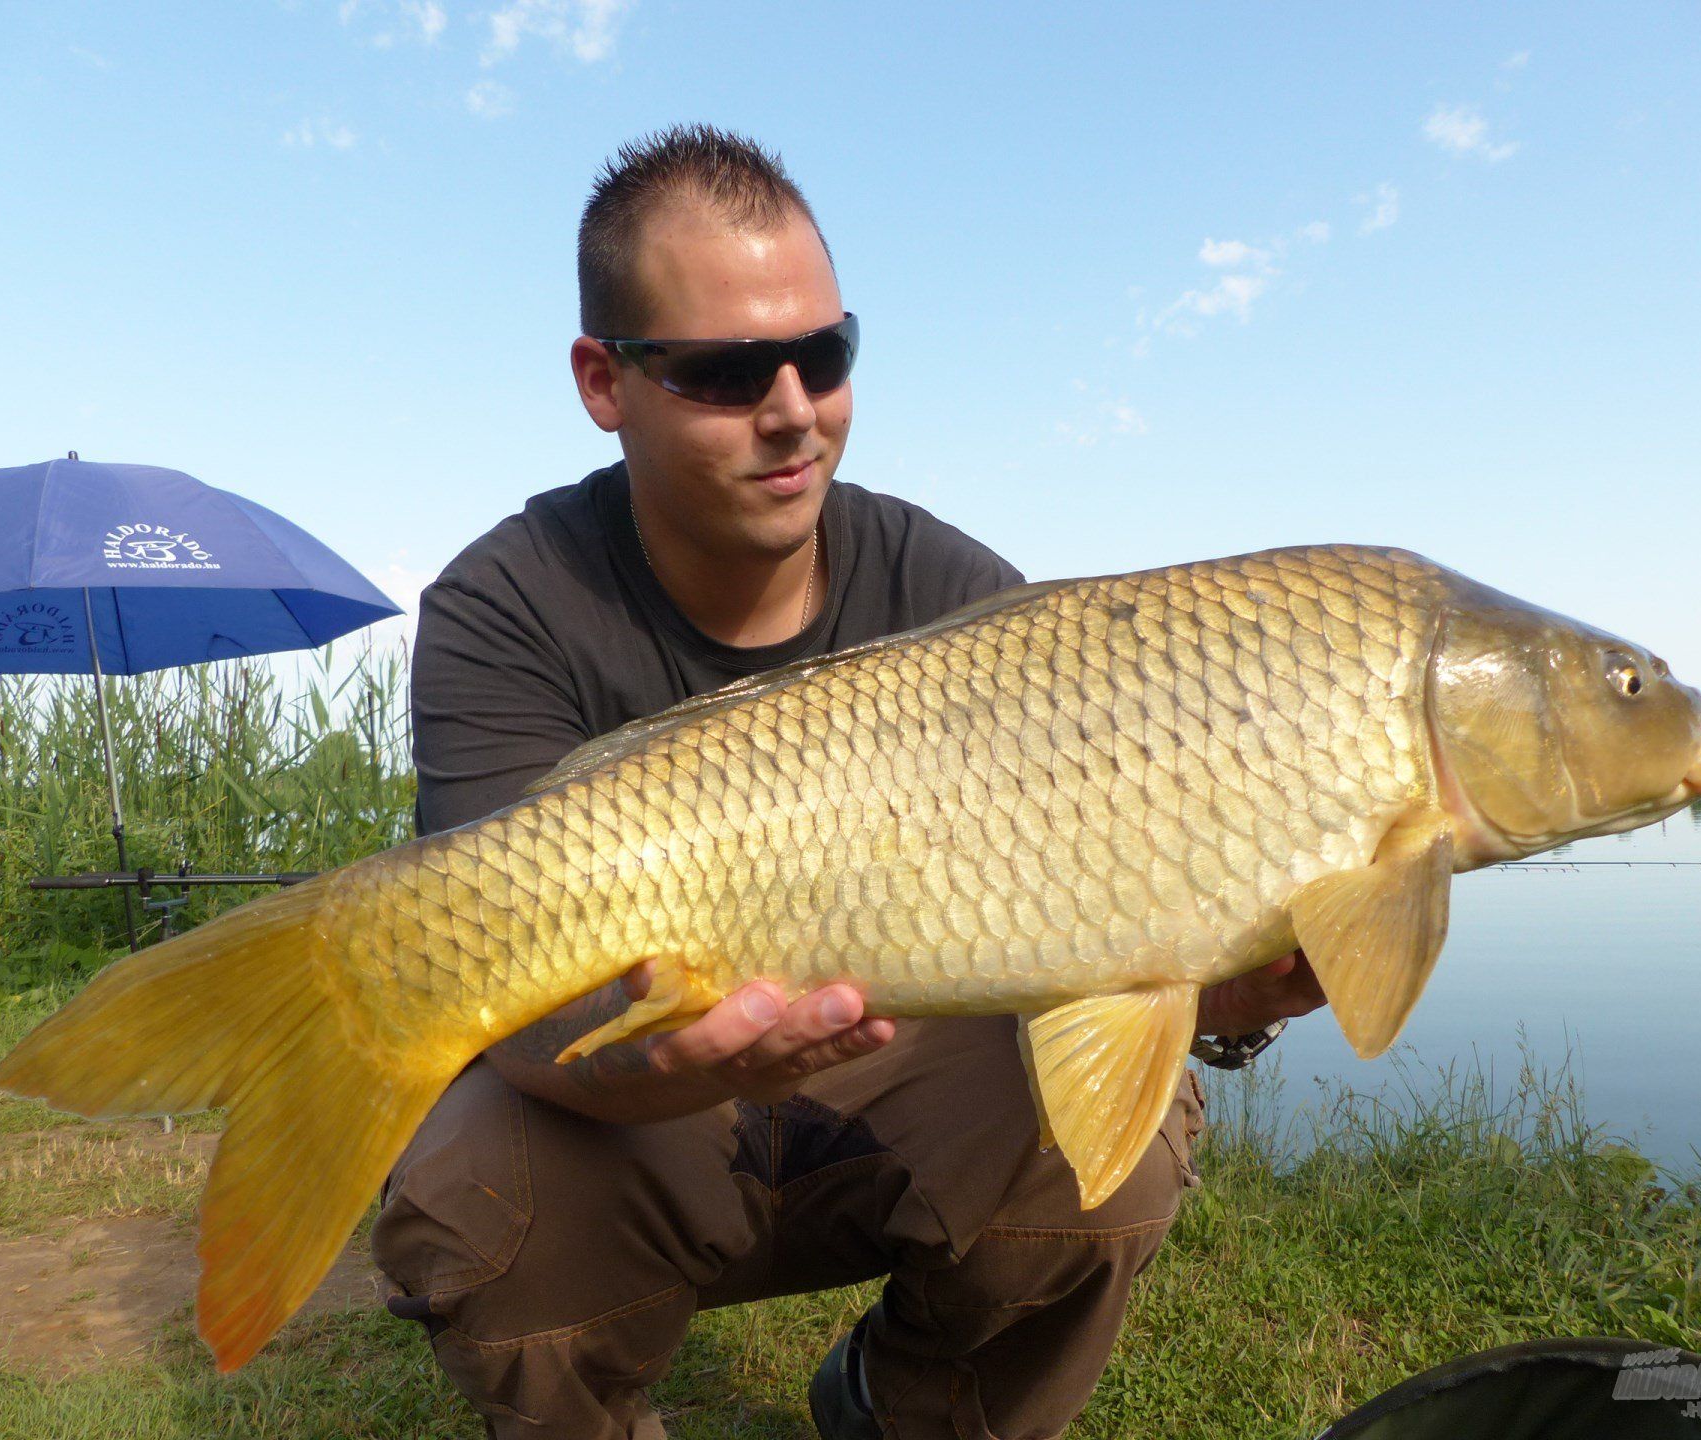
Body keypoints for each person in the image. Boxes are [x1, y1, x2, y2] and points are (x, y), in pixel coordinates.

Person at [370, 124, 1328, 1440]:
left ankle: (907, 1406)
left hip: (885, 1084)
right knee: (465, 1190)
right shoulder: (507, 604)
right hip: (640, 1116)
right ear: (604, 380)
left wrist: (1218, 996)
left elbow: (1085, 927)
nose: (791, 410)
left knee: (1131, 1134)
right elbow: (510, 1021)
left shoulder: (957, 598)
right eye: (722, 371)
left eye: (823, 355)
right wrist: (676, 1064)